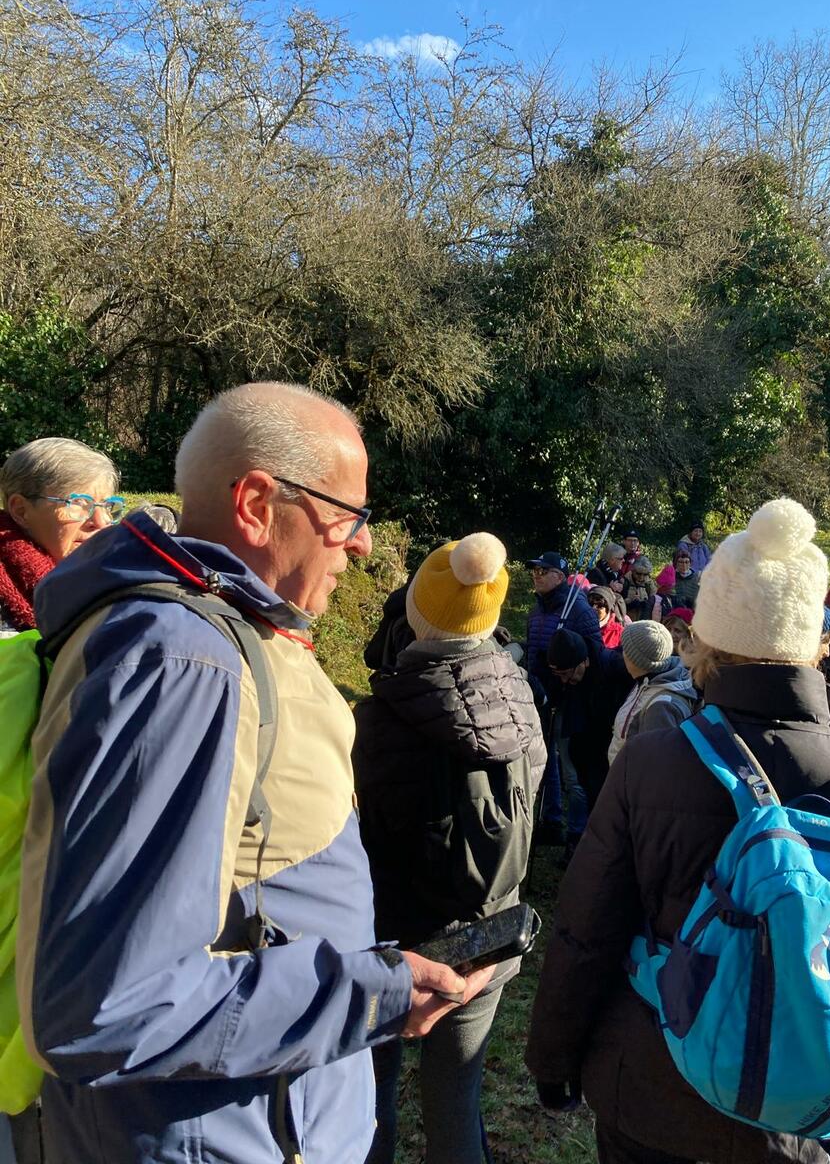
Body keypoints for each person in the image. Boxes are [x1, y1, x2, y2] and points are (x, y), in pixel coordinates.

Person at [17, 383, 491, 1164]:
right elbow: (104, 1004)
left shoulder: (222, 634)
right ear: (257, 504)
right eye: (347, 514)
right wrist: (372, 993)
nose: (362, 544)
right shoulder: (182, 659)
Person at [526, 497, 830, 1164]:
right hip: (805, 1115)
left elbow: (587, 928)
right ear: (813, 642)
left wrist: (553, 1061)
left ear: (709, 638)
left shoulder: (651, 760)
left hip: (653, 1088)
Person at [352, 533, 546, 1164]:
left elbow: (366, 839)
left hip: (396, 949)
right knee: (456, 1101)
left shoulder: (376, 720)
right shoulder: (522, 704)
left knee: (369, 1100)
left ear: (413, 615)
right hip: (488, 940)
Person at [0, 437, 122, 635]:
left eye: (107, 506)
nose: (101, 522)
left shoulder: (121, 578)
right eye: (79, 503)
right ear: (21, 510)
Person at [526, 550, 601, 848]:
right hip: (541, 696)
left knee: (571, 768)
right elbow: (532, 649)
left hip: (570, 697)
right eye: (534, 571)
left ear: (559, 576)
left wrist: (567, 669)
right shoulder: (536, 610)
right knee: (544, 759)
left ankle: (577, 834)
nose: (536, 576)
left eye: (542, 571)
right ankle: (551, 820)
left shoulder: (578, 610)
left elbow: (594, 654)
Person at [546, 628, 630, 816]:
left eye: (567, 673)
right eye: (559, 675)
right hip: (585, 750)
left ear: (585, 661)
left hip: (610, 749)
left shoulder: (615, 667)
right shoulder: (569, 675)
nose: (565, 680)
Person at [607, 622, 697, 765]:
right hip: (622, 773)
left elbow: (656, 764)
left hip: (632, 777)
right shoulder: (647, 681)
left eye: (625, 649)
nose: (622, 654)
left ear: (636, 659)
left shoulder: (661, 707)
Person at [621, 556, 657, 621]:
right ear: (633, 570)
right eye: (638, 574)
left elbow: (654, 601)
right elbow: (619, 603)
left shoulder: (649, 584)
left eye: (645, 574)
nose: (641, 577)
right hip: (627, 620)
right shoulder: (625, 582)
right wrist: (630, 601)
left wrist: (646, 602)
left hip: (644, 619)